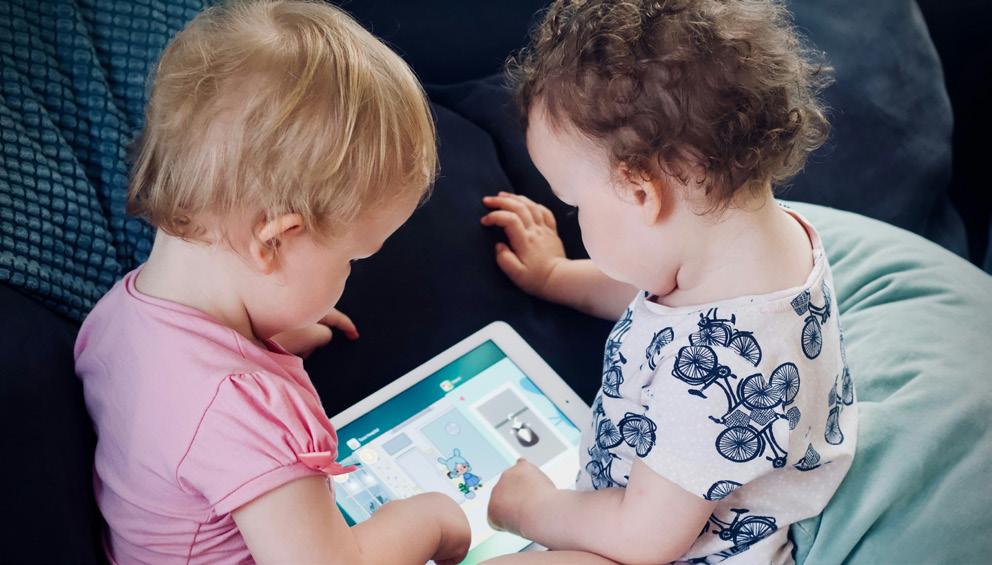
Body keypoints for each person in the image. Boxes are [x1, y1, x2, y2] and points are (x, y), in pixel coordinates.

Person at [73, 1, 470, 563]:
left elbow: (181, 422)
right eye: (352, 258)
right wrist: (428, 520)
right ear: (274, 241)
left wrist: (265, 332)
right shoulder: (253, 412)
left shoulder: (118, 314)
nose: (351, 274)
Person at [480, 1, 857, 563]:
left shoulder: (724, 374)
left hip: (671, 545)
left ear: (641, 192)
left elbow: (643, 539)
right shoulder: (747, 250)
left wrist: (530, 508)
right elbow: (660, 303)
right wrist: (556, 276)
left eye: (574, 203)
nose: (574, 218)